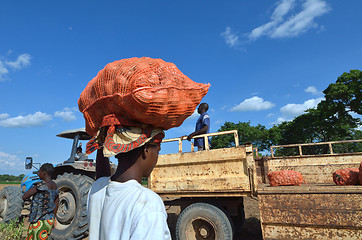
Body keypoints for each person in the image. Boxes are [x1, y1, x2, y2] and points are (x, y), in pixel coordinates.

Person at [86, 121, 171, 240]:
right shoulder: (148, 203)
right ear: (146, 149)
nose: (157, 157)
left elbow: (101, 176)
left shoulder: (96, 189)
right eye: (158, 151)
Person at [23, 163, 59, 240]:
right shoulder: (55, 185)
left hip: (39, 220)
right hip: (49, 221)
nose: (38, 174)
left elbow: (25, 196)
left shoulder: (40, 185)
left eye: (39, 171)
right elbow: (56, 202)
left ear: (44, 172)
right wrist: (53, 218)